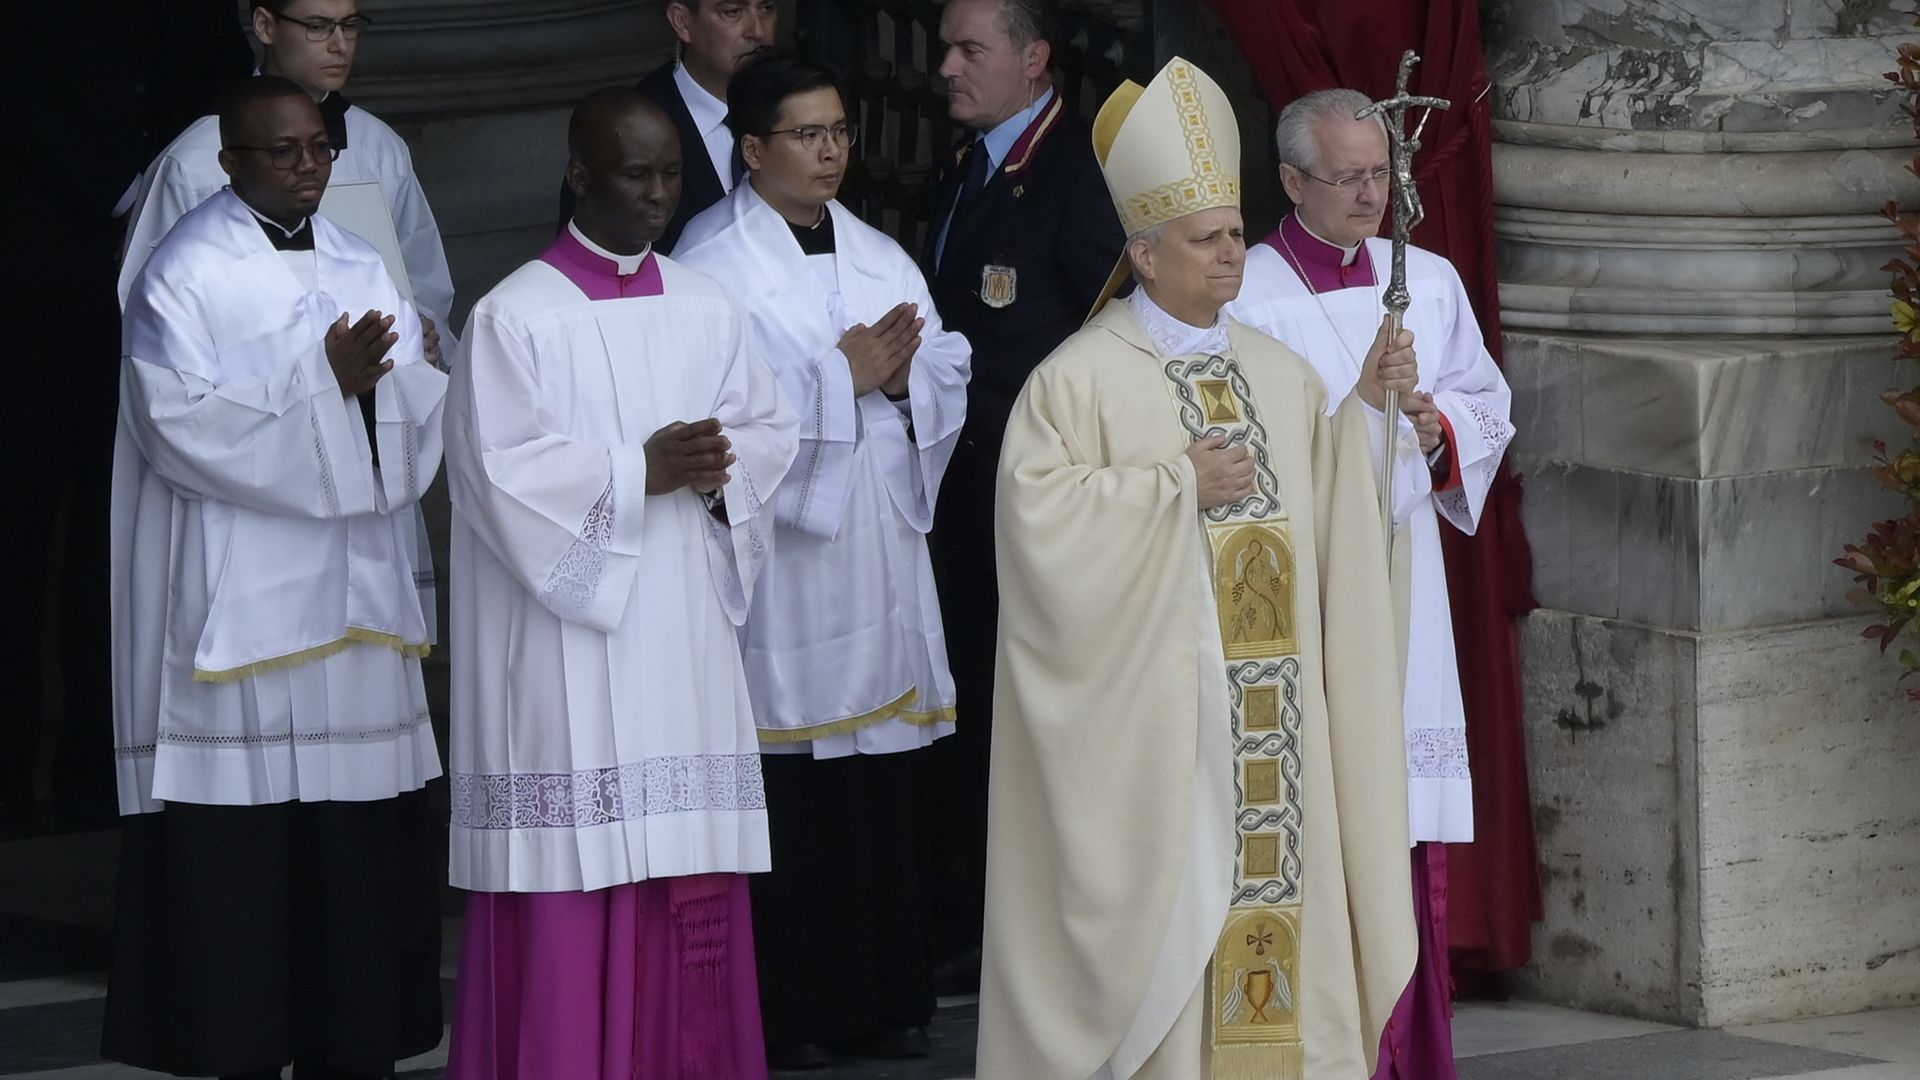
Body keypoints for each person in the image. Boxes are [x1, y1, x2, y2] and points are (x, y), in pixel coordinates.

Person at [976, 57, 1421, 1080]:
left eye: (1234, 237)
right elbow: (1037, 533)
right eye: (1208, 240)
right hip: (1163, 745)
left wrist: (1363, 410)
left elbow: (1337, 527)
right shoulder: (1075, 382)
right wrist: (1171, 487)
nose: (1232, 258)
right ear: (1142, 252)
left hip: (1277, 737)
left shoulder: (1282, 375)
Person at [442, 86, 797, 1080]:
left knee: (683, 862)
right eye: (634, 174)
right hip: (570, 658)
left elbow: (770, 432)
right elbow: (494, 477)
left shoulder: (706, 304)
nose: (655, 194)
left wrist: (722, 469)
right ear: (578, 176)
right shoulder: (514, 318)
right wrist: (637, 471)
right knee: (574, 878)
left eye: (670, 174)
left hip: (681, 644)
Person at [104, 76, 448, 1080]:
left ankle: (353, 1046)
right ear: (230, 164)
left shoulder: (357, 260)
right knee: (250, 857)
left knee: (353, 843)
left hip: (356, 610)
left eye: (318, 150)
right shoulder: (182, 270)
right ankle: (246, 1047)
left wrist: (400, 384)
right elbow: (176, 426)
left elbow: (417, 409)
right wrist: (323, 387)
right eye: (283, 152)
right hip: (243, 612)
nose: (308, 168)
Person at [676, 54, 972, 1070]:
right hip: (790, 577)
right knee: (798, 789)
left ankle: (891, 1001)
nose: (834, 149)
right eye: (807, 134)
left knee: (882, 791)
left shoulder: (882, 254)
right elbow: (715, 415)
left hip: (878, 556)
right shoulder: (709, 264)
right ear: (752, 149)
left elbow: (944, 364)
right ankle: (797, 1009)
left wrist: (897, 387)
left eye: (840, 129)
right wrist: (839, 378)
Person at [1224, 87, 1517, 1080]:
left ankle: (1408, 1047)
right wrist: (1358, 413)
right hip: (1300, 590)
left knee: (1400, 801)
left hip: (1408, 581)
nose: (1371, 195)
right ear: (1292, 180)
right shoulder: (1245, 292)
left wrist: (1440, 433)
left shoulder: (1427, 282)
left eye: (1381, 174)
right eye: (1348, 177)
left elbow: (1485, 400)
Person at [3, 4, 252, 820]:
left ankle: (95, 764)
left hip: (161, 276)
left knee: (119, 530)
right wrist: (117, 190)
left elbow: (218, 77)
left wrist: (163, 195)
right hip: (34, 269)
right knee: (20, 523)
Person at [921, 0, 1124, 991]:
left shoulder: (1073, 178)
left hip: (1034, 506)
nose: (946, 68)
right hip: (968, 505)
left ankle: (1020, 927)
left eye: (970, 49)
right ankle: (976, 914)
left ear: (1034, 58)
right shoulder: (973, 164)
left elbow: (1111, 339)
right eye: (945, 47)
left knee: (1021, 719)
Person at [555, 0, 778, 251]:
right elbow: (584, 260)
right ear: (682, 21)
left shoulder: (796, 106)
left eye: (767, 7)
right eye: (732, 12)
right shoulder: (628, 127)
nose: (757, 31)